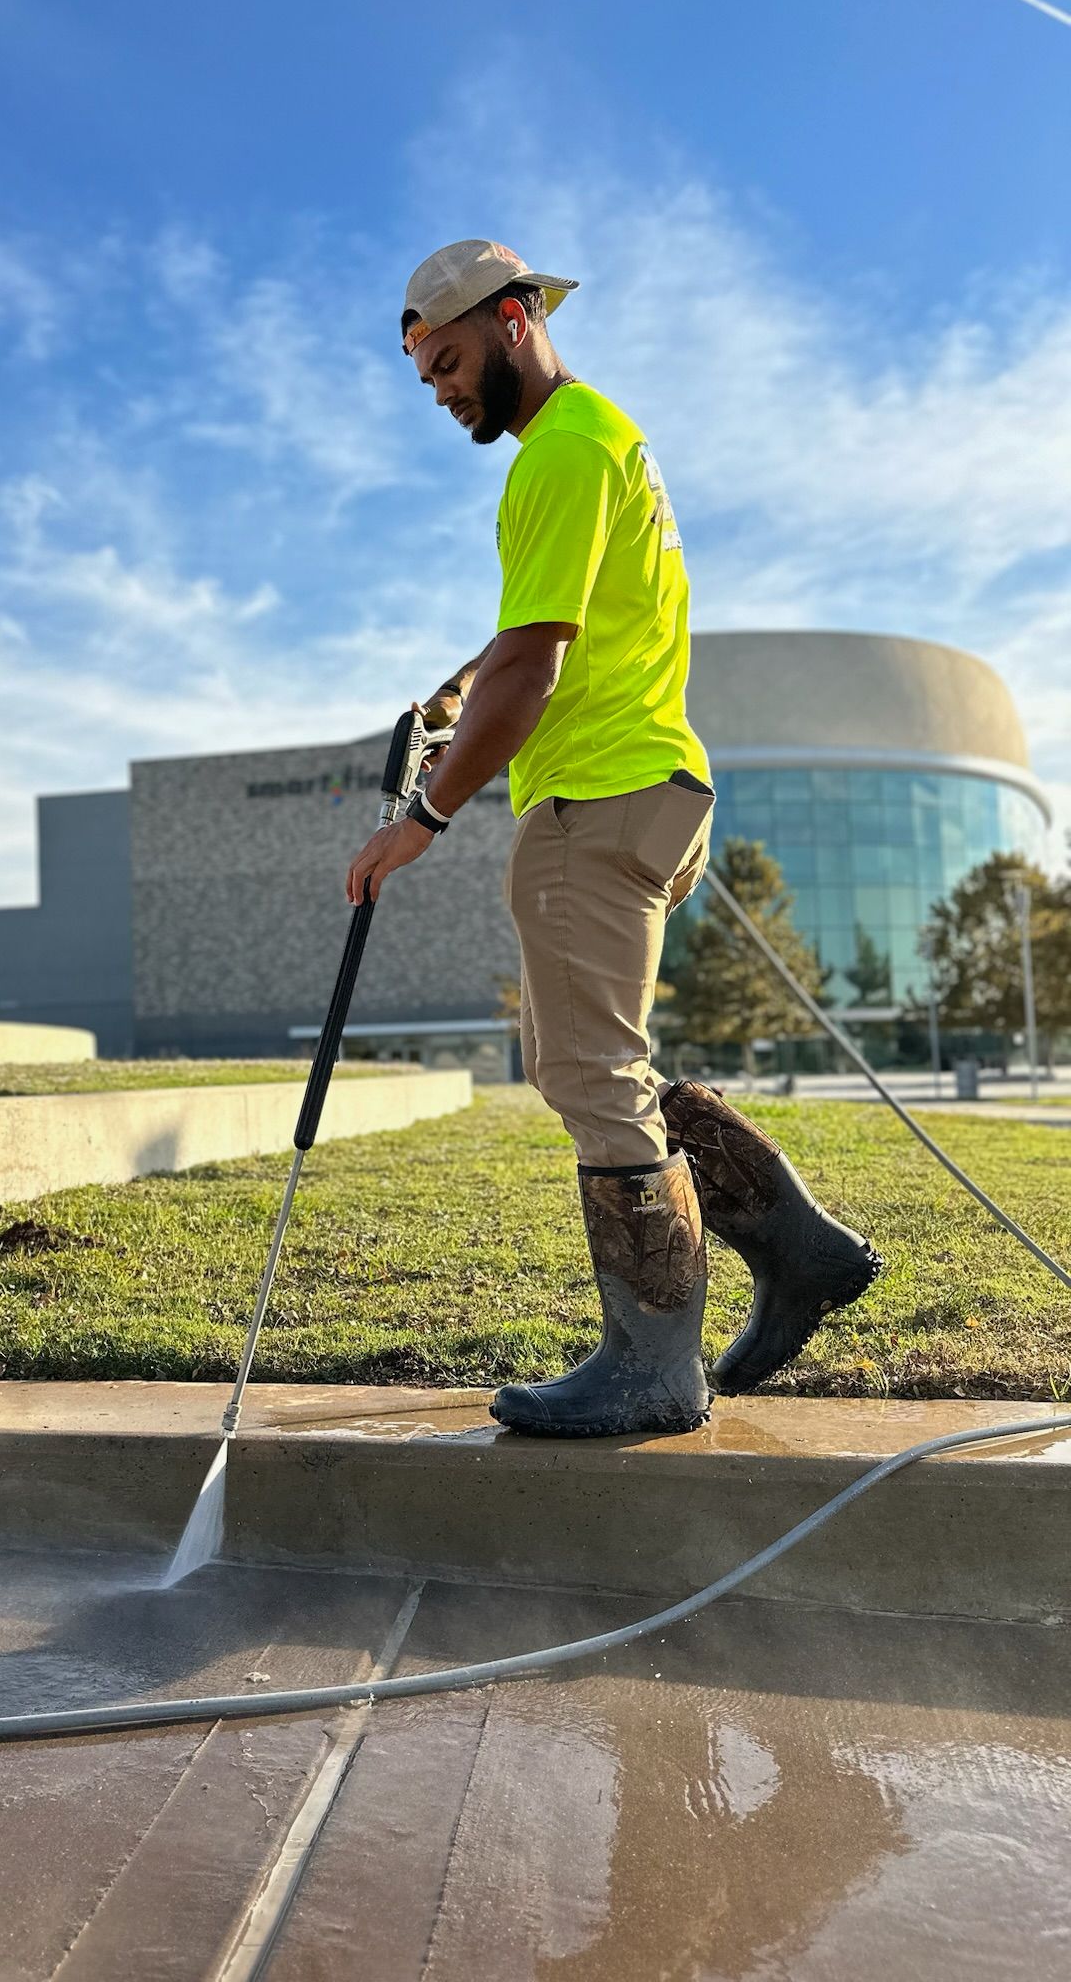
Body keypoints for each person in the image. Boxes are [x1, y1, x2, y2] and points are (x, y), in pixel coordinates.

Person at [346, 239, 881, 1438]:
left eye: (447, 358)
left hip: (594, 799)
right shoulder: (601, 441)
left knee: (591, 1078)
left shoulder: (559, 454)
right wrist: (456, 692)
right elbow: (540, 636)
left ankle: (653, 1368)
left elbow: (535, 661)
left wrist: (422, 819)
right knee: (595, 1063)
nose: (438, 387)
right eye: (424, 373)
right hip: (648, 784)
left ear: (516, 316)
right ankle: (796, 1248)